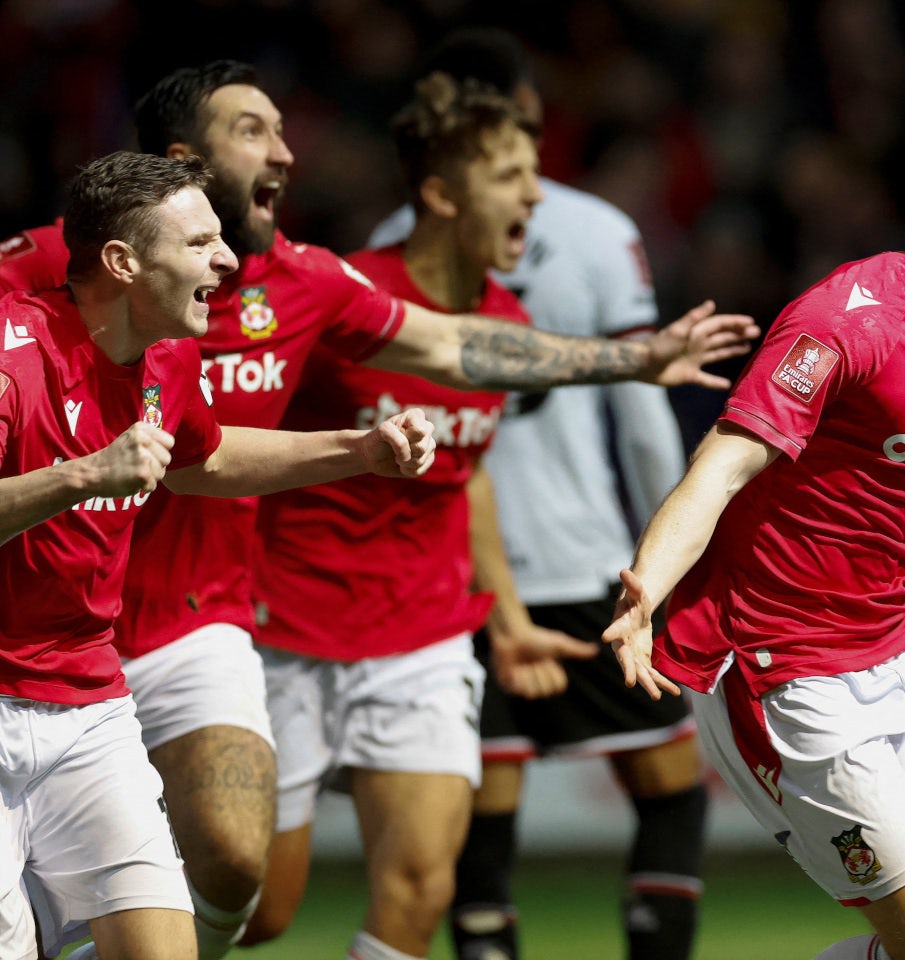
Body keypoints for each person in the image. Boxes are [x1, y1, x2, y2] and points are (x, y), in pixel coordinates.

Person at [0, 60, 755, 960]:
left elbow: (435, 350)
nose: (285, 150)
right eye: (252, 130)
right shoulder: (44, 279)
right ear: (181, 162)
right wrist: (83, 473)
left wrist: (629, 360)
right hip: (66, 633)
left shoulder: (302, 287)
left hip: (189, 622)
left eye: (283, 128)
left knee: (244, 872)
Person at [603, 102, 905, 960]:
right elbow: (725, 460)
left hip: (894, 661)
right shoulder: (849, 319)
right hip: (781, 670)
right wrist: (647, 586)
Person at [0, 151, 435, 960]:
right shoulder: (12, 354)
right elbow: (106, 471)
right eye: (199, 243)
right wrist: (83, 476)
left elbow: (208, 461)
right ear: (125, 262)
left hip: (90, 703)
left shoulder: (166, 361)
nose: (228, 260)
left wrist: (359, 449)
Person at [368, 29, 709, 960]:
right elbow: (642, 419)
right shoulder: (601, 230)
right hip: (586, 551)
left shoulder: (385, 248)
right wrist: (663, 559)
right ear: (527, 114)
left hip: (455, 575)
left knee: (484, 828)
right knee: (673, 791)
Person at [239, 72, 595, 960]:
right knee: (258, 912)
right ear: (439, 194)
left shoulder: (507, 325)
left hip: (424, 640)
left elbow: (463, 475)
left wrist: (507, 619)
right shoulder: (344, 297)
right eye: (510, 173)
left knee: (419, 886)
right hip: (287, 629)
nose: (535, 193)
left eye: (533, 170)